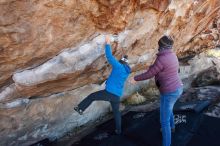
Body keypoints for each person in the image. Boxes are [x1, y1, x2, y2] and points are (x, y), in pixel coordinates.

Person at [130, 35, 183, 146]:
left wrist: (135, 79)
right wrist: (156, 69)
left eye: (159, 45)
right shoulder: (172, 55)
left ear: (161, 46)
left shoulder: (162, 58)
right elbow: (174, 69)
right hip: (177, 88)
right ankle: (172, 127)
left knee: (164, 122)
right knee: (169, 109)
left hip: (169, 92)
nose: (158, 47)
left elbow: (150, 73)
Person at [74, 35, 131, 135]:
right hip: (117, 96)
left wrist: (108, 43)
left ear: (121, 62)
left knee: (92, 96)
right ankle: (119, 130)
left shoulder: (118, 66)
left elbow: (109, 56)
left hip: (109, 93)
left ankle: (80, 108)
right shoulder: (126, 72)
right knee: (117, 113)